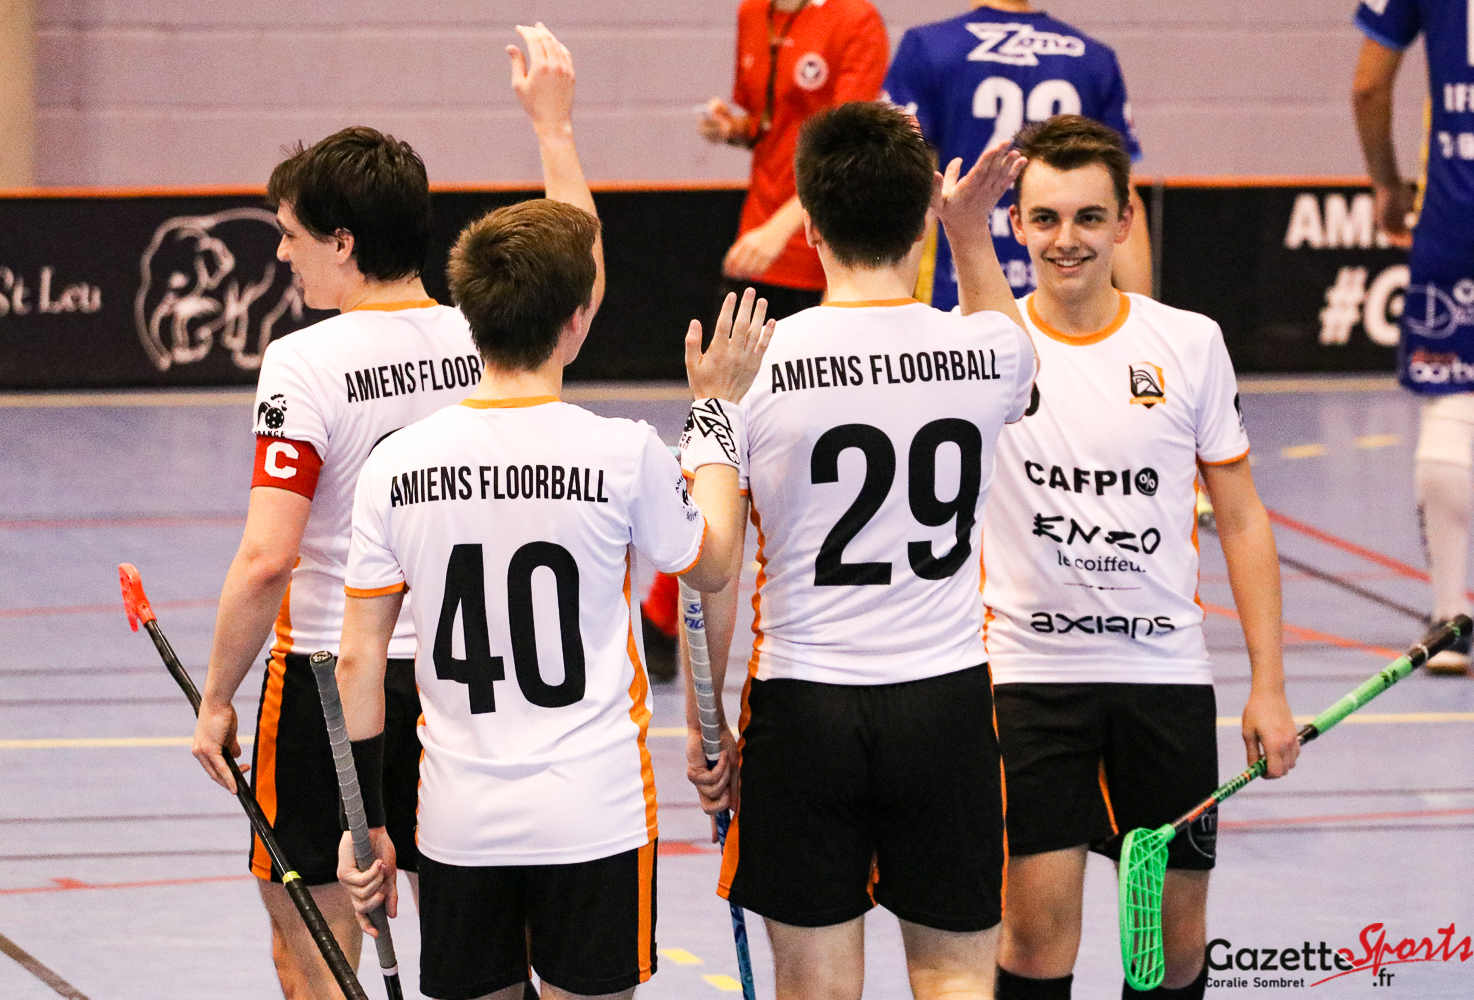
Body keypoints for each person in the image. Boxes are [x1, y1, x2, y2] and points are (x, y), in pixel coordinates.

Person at [189, 24, 598, 999]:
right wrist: (554, 129)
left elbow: (267, 557)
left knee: (314, 944)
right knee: (481, 954)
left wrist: (216, 697)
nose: (281, 253)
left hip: (333, 679)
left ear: (343, 241)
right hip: (468, 676)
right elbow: (576, 265)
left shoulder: (303, 361)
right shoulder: (484, 329)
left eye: (291, 234)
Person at [332, 201, 772, 1000]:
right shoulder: (621, 452)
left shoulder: (396, 465)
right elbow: (712, 565)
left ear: (469, 315)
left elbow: (359, 661)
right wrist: (719, 413)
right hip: (594, 815)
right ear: (577, 321)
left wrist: (363, 830)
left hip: (459, 822)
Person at [689, 100, 1037, 1000]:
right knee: (958, 978)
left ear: (808, 224)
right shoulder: (987, 352)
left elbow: (713, 571)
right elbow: (1013, 348)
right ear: (920, 220)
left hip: (806, 708)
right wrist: (967, 231)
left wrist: (707, 723)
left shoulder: (754, 368)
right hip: (945, 702)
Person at [979, 115, 1300, 1000]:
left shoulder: (1188, 343)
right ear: (1017, 224)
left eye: (1090, 217)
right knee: (1036, 935)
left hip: (1162, 678)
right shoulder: (987, 349)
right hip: (1030, 680)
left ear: (1125, 221)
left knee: (1169, 946)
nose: (1067, 239)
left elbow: (1242, 520)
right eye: (1046, 218)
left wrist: (1268, 685)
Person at [1352, 0, 1474, 673]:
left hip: (1457, 213)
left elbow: (1368, 85)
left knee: (1452, 411)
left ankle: (1449, 620)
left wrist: (1386, 184)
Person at [882, 0, 1152, 310]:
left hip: (956, 292)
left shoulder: (929, 46)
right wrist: (1144, 321)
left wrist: (890, 311)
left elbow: (903, 187)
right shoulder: (1093, 58)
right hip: (1066, 289)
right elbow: (1125, 197)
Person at [698, 0, 888, 319]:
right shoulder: (752, 13)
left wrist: (780, 229)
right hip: (758, 241)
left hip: (823, 246)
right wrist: (733, 128)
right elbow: (771, 121)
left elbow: (850, 147)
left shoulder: (856, 20)